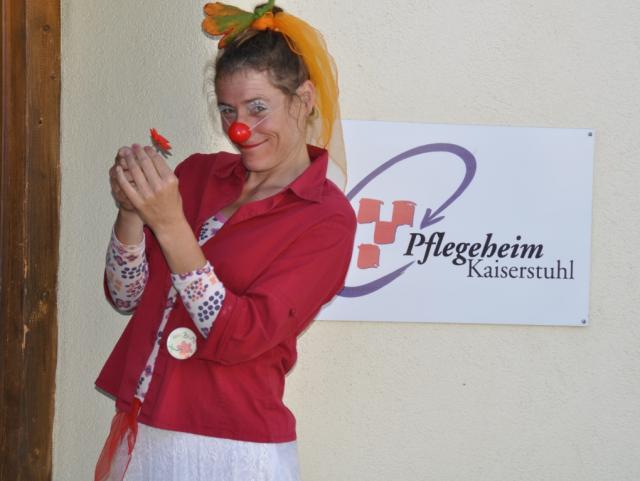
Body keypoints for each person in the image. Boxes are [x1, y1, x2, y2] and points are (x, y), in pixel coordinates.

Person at [94, 2, 356, 480]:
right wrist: (131, 210)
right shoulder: (197, 173)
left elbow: (237, 337)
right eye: (227, 110)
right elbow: (124, 295)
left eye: (258, 108)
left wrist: (170, 225)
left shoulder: (326, 218)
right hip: (144, 431)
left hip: (232, 449)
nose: (241, 128)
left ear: (304, 99)